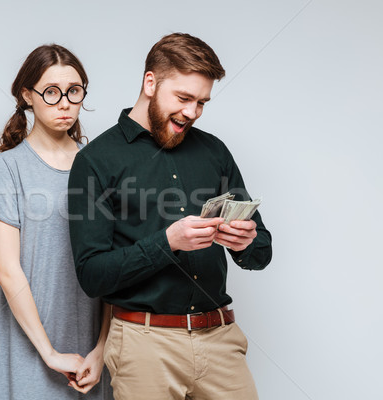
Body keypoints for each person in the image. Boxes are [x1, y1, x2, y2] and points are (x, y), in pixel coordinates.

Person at [68, 33, 272, 400]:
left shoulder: (214, 151)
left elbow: (262, 252)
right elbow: (92, 275)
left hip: (220, 340)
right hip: (143, 346)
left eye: (202, 102)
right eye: (183, 98)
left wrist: (247, 242)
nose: (192, 112)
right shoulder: (95, 161)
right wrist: (167, 243)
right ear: (150, 82)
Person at [0, 44, 112, 400]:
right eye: (51, 93)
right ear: (28, 95)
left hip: (93, 353)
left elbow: (116, 268)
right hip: (31, 345)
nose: (65, 103)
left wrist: (102, 349)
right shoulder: (7, 167)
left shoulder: (101, 165)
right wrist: (49, 352)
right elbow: (8, 271)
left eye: (74, 91)